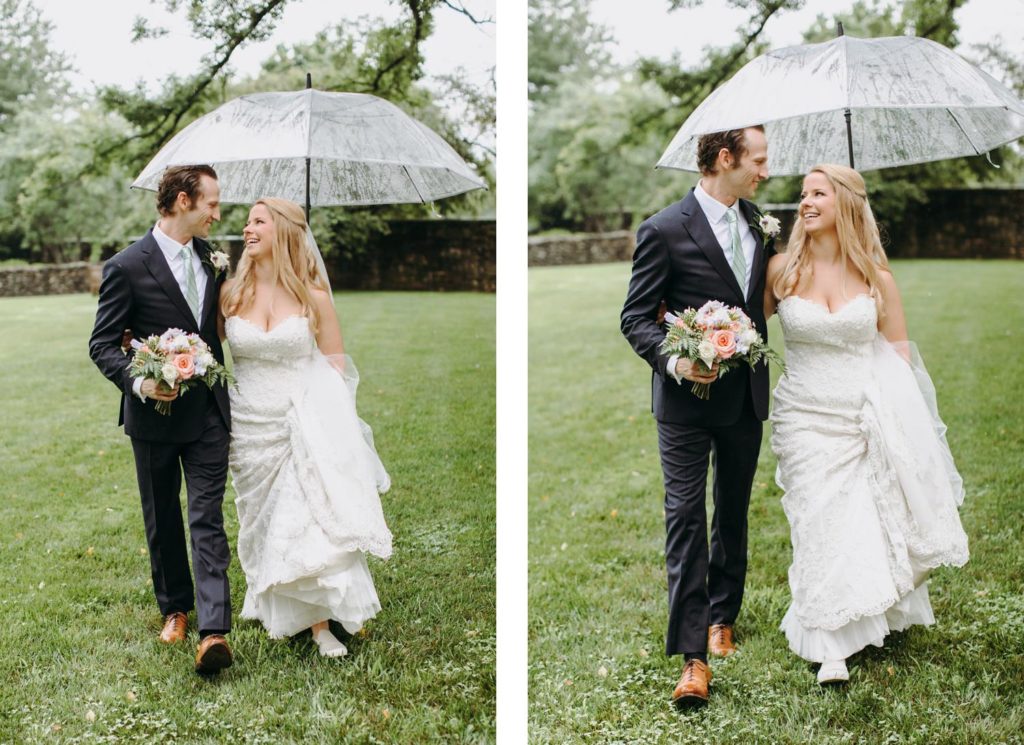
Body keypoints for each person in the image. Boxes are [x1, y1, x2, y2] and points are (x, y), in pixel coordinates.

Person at [765, 164, 969, 685]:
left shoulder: (877, 279)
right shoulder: (781, 270)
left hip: (863, 413)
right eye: (803, 194)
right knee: (817, 520)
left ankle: (858, 616)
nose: (805, 203)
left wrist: (898, 423)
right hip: (804, 417)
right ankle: (829, 645)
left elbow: (899, 355)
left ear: (847, 205)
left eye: (818, 194)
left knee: (862, 520)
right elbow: (742, 326)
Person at [621, 126, 773, 707]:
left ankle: (722, 616)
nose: (763, 172)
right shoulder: (662, 229)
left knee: (731, 510)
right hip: (684, 403)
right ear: (725, 158)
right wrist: (678, 364)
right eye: (757, 160)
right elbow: (635, 317)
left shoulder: (763, 224)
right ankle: (693, 658)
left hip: (746, 397)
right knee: (685, 516)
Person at [219, 197, 392, 658]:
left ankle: (319, 625)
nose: (246, 229)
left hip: (301, 416)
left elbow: (335, 364)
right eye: (247, 222)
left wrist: (322, 418)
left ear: (284, 231)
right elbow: (202, 347)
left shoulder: (313, 296)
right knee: (262, 518)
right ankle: (272, 596)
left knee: (305, 514)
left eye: (258, 222)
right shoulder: (230, 293)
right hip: (249, 423)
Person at [89, 165, 234, 674]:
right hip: (152, 416)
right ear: (179, 201)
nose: (218, 213)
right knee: (163, 517)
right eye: (211, 203)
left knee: (206, 516)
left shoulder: (213, 260)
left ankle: (214, 629)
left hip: (209, 414)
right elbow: (102, 344)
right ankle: (175, 607)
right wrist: (142, 381)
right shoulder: (127, 266)